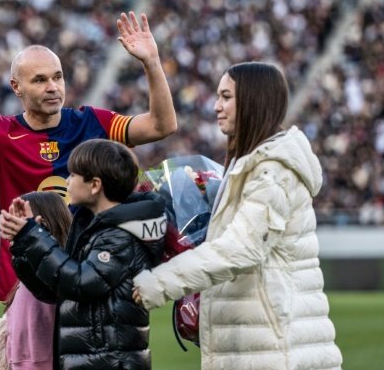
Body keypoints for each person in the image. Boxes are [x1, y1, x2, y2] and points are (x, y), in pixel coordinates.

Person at [0, 12, 177, 301]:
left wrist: (152, 62)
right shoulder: (0, 133)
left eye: (58, 77)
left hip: (89, 273)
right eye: (39, 80)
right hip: (25, 282)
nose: (52, 87)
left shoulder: (92, 122)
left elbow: (161, 125)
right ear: (17, 87)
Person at [132, 62, 343, 369]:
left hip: (276, 350)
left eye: (226, 96)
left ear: (254, 101)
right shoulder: (248, 164)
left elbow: (241, 249)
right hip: (258, 344)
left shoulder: (273, 171)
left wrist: (160, 282)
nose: (216, 106)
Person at [0, 139, 167, 369]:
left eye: (73, 175)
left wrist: (34, 236)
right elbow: (55, 291)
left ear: (95, 185)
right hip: (94, 359)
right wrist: (23, 243)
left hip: (109, 362)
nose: (67, 181)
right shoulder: (95, 228)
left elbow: (80, 282)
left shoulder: (119, 236)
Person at [0, 191, 72, 370]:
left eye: (17, 222)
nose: (8, 231)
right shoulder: (31, 271)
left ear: (41, 224)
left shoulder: (52, 275)